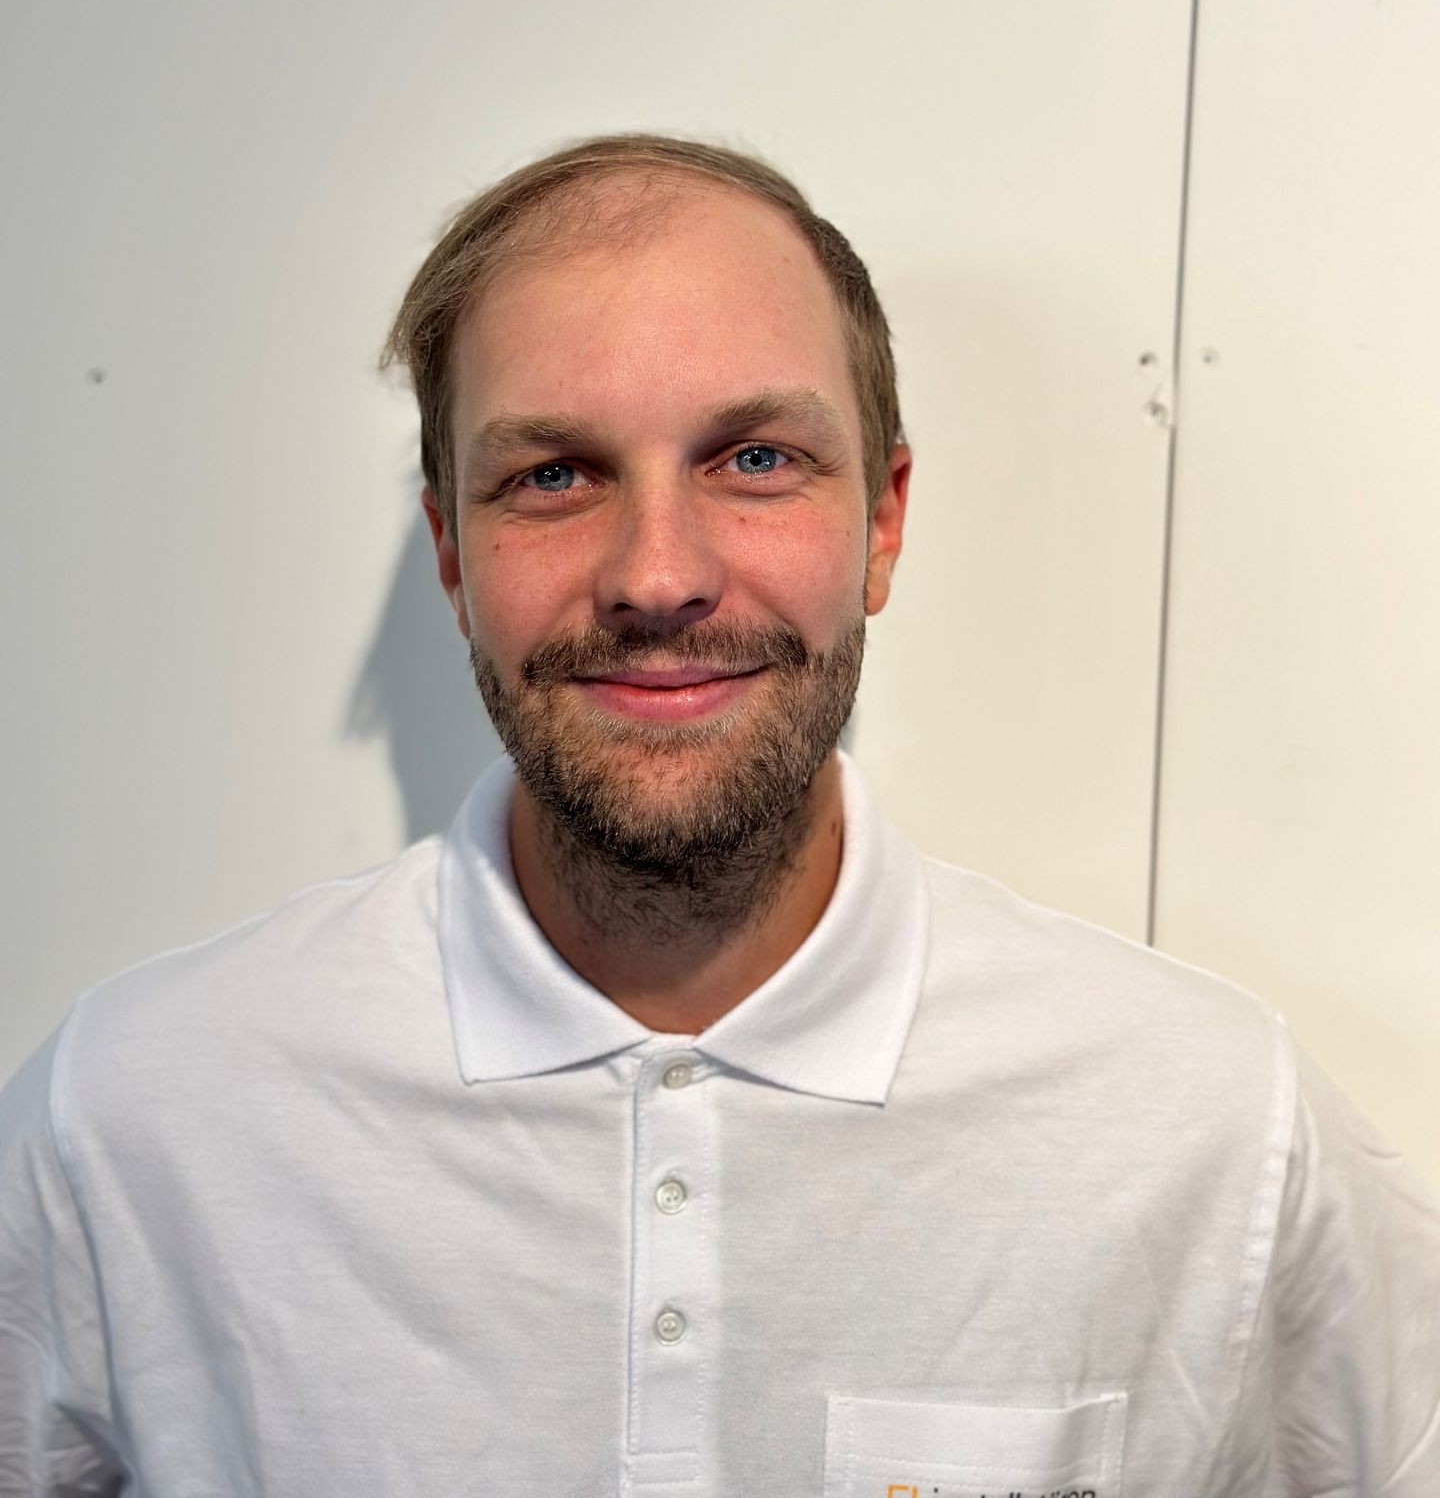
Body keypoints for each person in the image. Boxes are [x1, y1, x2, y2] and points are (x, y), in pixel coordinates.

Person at [1, 134, 1436, 1497]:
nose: (657, 575)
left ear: (881, 521)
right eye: (552, 475)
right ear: (452, 550)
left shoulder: (1210, 1129)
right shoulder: (136, 1125)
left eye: (753, 457)